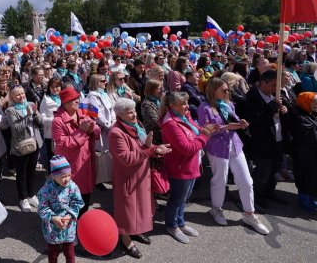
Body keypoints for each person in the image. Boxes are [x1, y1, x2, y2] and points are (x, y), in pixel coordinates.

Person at [197, 77, 269, 234]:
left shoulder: (228, 104)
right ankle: (216, 209)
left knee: (247, 181)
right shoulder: (204, 108)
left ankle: (249, 214)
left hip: (235, 146)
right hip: (217, 148)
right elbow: (205, 130)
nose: (227, 92)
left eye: (227, 89)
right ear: (212, 90)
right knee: (220, 180)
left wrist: (240, 121)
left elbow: (234, 119)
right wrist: (226, 127)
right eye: (223, 89)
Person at [109, 98, 171, 258]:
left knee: (141, 206)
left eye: (134, 110)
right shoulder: (116, 132)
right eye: (129, 112)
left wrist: (158, 149)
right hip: (127, 177)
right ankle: (125, 238)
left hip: (142, 174)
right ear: (120, 115)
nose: (134, 114)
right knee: (127, 210)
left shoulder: (137, 126)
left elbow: (146, 146)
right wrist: (150, 150)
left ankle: (135, 231)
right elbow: (127, 158)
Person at [160, 91, 217, 244]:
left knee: (184, 197)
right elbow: (186, 148)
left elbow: (195, 129)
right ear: (172, 105)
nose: (187, 106)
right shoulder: (170, 124)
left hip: (191, 164)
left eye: (186, 102)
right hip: (180, 166)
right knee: (177, 199)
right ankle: (172, 225)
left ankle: (180, 222)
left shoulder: (184, 115)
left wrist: (206, 129)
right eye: (183, 103)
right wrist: (204, 136)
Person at [52, 87, 100, 217]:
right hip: (72, 166)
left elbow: (97, 131)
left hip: (86, 162)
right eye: (73, 99)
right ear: (65, 102)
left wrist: (91, 130)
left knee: (85, 199)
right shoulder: (58, 120)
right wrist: (82, 132)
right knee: (72, 200)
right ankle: (71, 230)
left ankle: (81, 227)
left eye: (77, 97)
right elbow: (63, 144)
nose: (77, 100)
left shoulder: (83, 113)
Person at [245, 70, 289, 209]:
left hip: (278, 137)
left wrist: (285, 110)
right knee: (263, 171)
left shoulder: (277, 95)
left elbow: (286, 113)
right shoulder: (253, 97)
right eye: (272, 85)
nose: (275, 89)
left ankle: (269, 192)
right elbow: (256, 119)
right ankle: (257, 196)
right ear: (263, 82)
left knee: (274, 169)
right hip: (263, 140)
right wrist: (272, 107)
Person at [36, 155, 85, 263]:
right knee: (53, 253)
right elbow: (42, 207)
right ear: (53, 176)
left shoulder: (73, 187)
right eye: (63, 176)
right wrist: (53, 217)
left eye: (69, 175)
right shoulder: (46, 189)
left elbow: (77, 202)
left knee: (70, 252)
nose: (67, 178)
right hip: (52, 227)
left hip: (69, 226)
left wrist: (69, 215)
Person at [3, 85, 43, 212]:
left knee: (32, 172)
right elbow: (16, 129)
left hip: (35, 142)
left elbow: (41, 122)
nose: (21, 96)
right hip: (21, 146)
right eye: (18, 95)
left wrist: (35, 113)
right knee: (21, 173)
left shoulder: (31, 104)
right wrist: (27, 115)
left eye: (22, 93)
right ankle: (23, 198)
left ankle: (31, 195)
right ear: (12, 97)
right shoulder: (10, 110)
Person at [39, 77, 62, 167]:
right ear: (49, 87)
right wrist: (55, 120)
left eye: (57, 86)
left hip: (63, 131)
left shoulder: (64, 97)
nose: (55, 89)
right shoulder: (45, 100)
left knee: (62, 154)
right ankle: (51, 173)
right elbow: (42, 118)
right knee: (51, 155)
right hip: (50, 133)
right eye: (52, 87)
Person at [141, 79, 164, 143]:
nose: (162, 90)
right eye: (159, 88)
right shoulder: (147, 104)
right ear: (152, 90)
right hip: (155, 135)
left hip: (163, 130)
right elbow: (156, 122)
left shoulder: (158, 100)